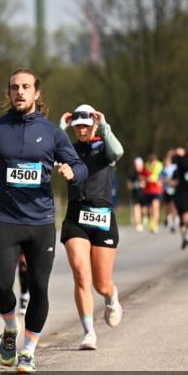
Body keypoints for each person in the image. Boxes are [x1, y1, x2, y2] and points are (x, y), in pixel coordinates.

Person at [0, 68, 87, 374]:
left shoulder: (53, 132)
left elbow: (79, 165)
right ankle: (11, 328)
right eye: (14, 87)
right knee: (1, 287)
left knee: (38, 288)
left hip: (41, 222)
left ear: (36, 93)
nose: (19, 92)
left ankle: (28, 351)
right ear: (9, 93)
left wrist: (72, 172)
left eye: (25, 87)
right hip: (6, 218)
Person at [58, 105, 125, 350]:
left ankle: (111, 297)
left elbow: (118, 151)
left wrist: (104, 125)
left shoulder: (105, 148)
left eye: (86, 125)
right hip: (76, 216)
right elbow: (50, 152)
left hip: (102, 217)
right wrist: (61, 126)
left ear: (94, 125)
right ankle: (88, 333)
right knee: (80, 273)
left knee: (101, 284)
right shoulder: (70, 151)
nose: (82, 130)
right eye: (77, 126)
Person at [139, 153, 164, 233]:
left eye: (154, 161)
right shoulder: (146, 166)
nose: (152, 163)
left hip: (157, 190)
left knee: (155, 207)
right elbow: (141, 176)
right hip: (147, 191)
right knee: (149, 209)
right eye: (151, 161)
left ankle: (155, 225)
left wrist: (160, 180)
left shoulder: (160, 166)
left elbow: (164, 176)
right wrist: (145, 179)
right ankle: (151, 221)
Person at [127, 157, 145, 232]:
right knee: (136, 209)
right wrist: (135, 185)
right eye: (136, 165)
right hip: (135, 195)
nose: (138, 167)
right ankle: (138, 224)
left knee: (144, 210)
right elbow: (129, 186)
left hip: (144, 195)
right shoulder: (132, 174)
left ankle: (144, 219)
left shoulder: (145, 173)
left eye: (139, 165)